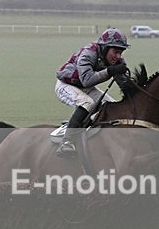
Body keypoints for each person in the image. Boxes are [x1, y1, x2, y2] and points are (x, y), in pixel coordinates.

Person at [54, 28, 131, 157]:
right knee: (87, 103)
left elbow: (125, 86)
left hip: (85, 88)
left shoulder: (117, 60)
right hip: (66, 85)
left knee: (111, 106)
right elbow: (87, 80)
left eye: (121, 52)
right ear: (105, 48)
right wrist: (110, 71)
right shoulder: (88, 53)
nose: (118, 56)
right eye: (115, 52)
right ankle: (67, 141)